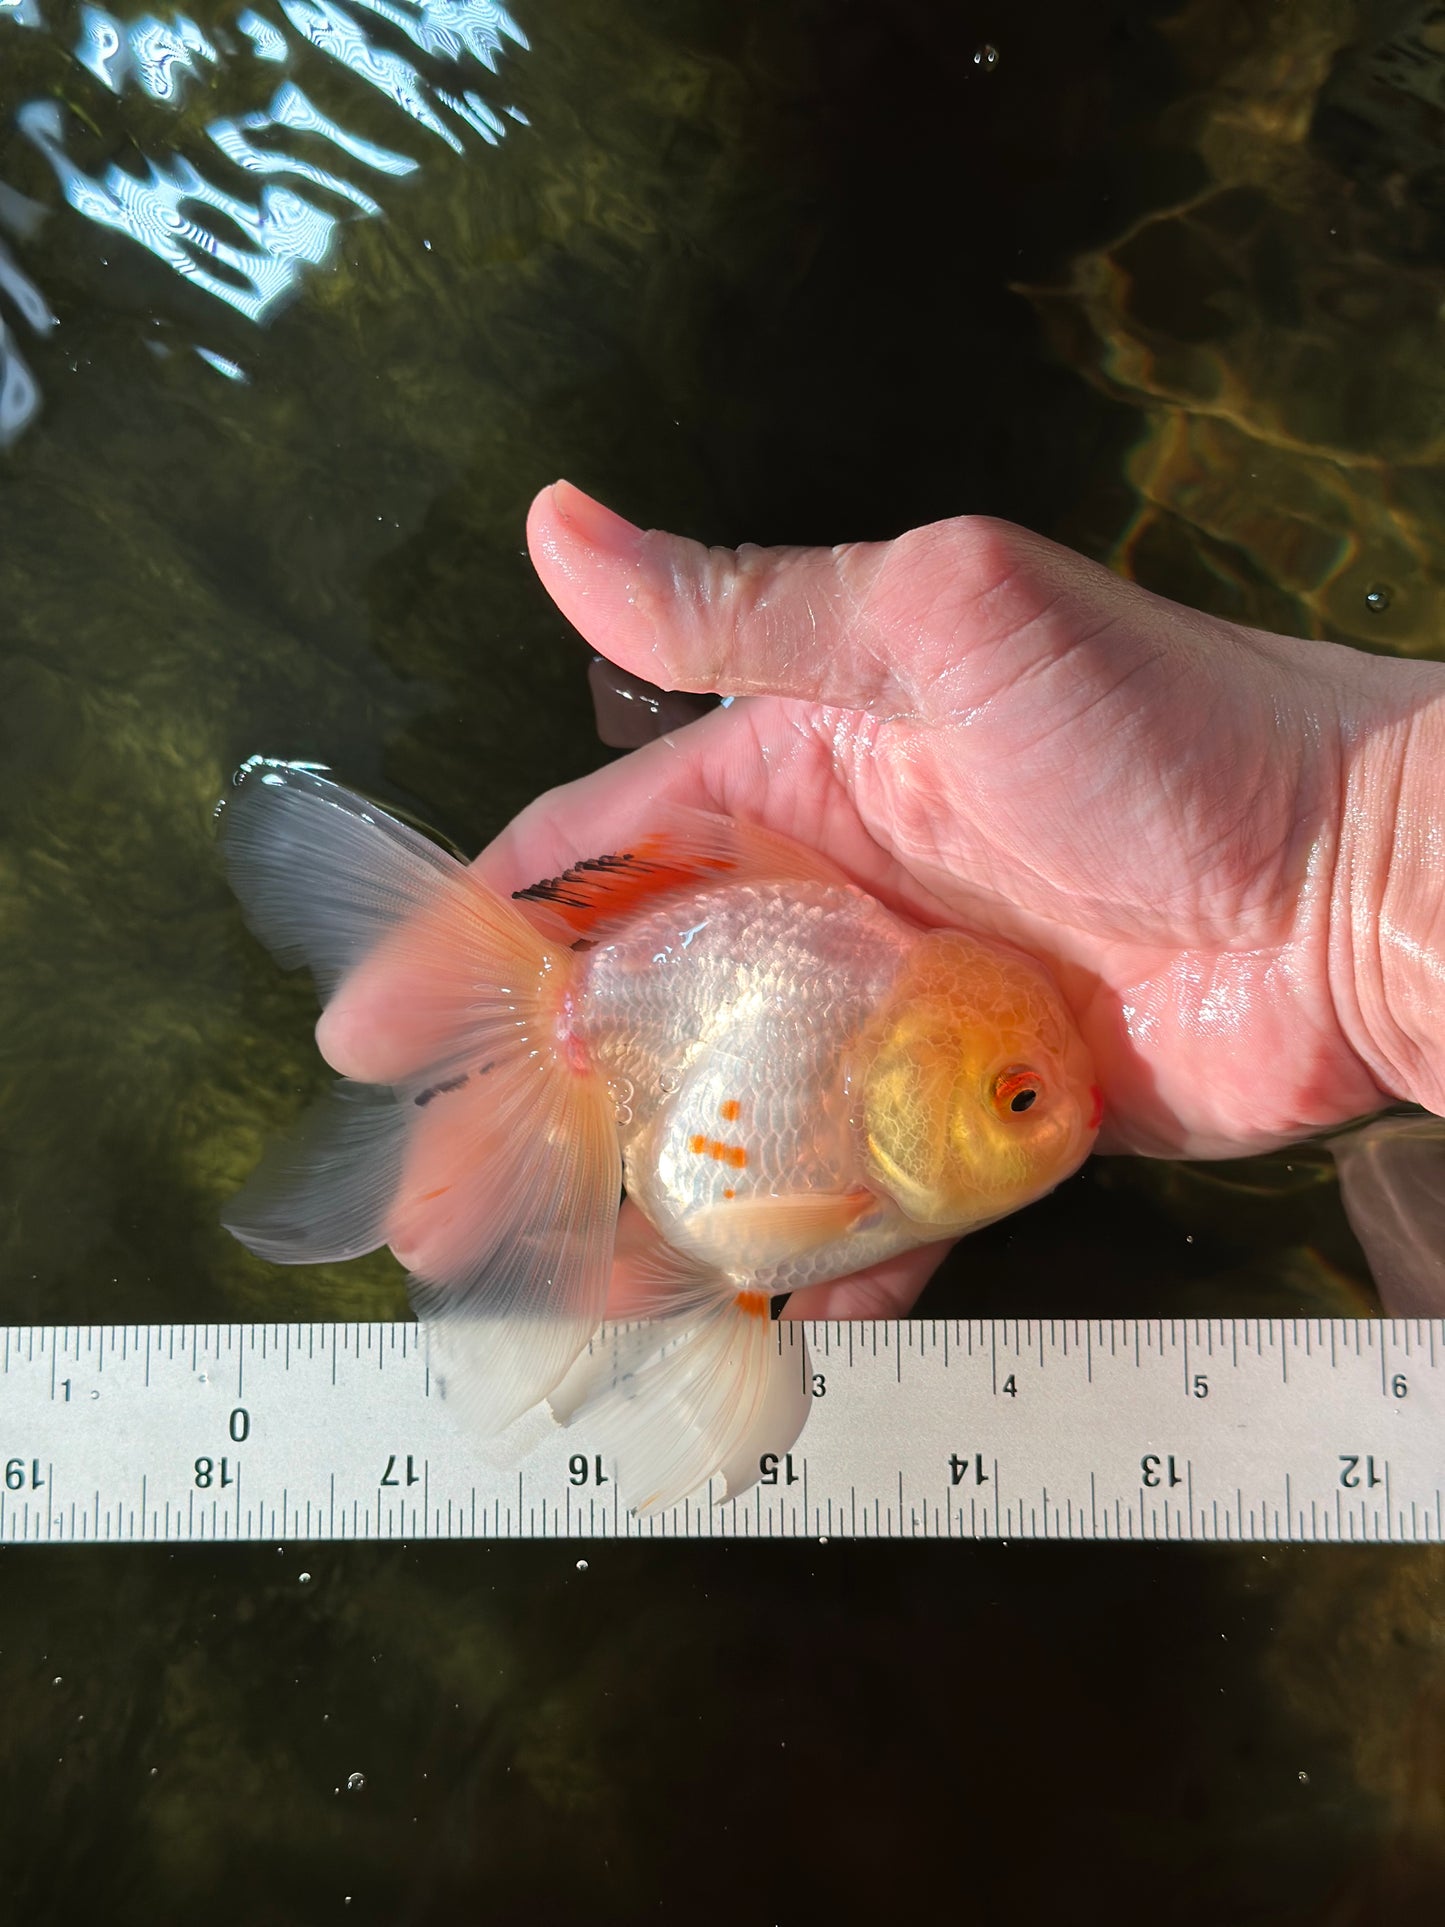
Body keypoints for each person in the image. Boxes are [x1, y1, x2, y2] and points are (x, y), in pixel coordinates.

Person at [320, 481, 1445, 1317]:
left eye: (1020, 1097)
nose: (1073, 1107)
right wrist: (1344, 860)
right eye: (1016, 1097)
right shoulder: (850, 963)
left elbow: (734, 1237)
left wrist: (1346, 841)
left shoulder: (922, 997)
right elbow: (731, 1233)